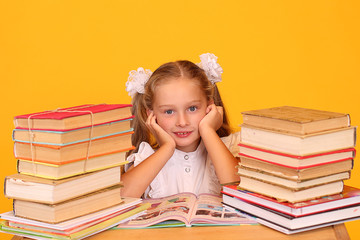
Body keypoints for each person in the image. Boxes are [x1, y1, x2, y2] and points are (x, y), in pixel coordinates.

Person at [121, 53, 239, 198]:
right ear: (151, 114)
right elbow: (120, 198)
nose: (182, 122)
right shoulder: (147, 158)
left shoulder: (228, 149)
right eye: (169, 111)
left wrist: (208, 131)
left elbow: (239, 192)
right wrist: (167, 148)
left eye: (192, 108)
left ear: (210, 106)